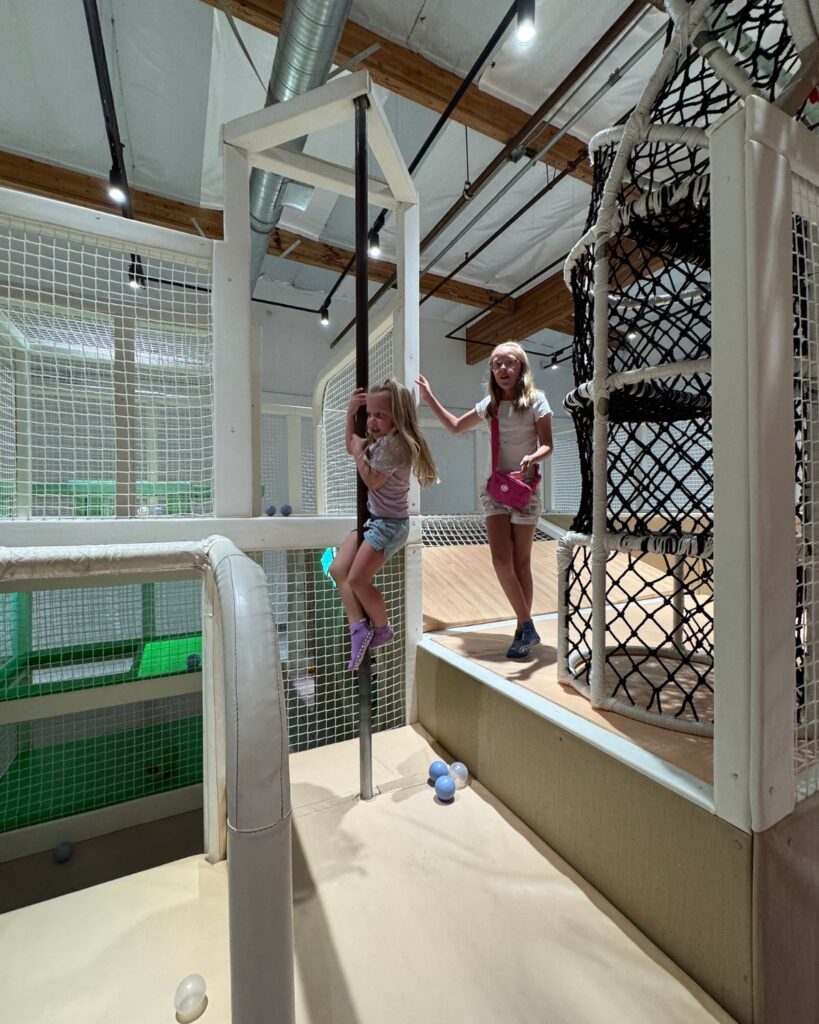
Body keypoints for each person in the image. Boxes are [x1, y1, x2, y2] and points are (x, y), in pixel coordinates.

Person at [417, 340, 553, 658]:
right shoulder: (489, 405)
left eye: (509, 363)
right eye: (496, 364)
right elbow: (454, 427)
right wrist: (429, 397)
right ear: (491, 371)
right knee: (501, 561)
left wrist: (533, 457)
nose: (503, 369)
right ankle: (528, 624)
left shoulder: (537, 401)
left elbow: (548, 444)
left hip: (527, 490)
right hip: (497, 491)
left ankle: (523, 631)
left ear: (521, 368)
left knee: (522, 563)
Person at [330, 378, 438, 670]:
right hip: (373, 520)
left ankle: (381, 627)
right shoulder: (380, 441)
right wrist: (351, 414)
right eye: (369, 414)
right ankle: (358, 627)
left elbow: (373, 479)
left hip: (389, 525)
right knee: (337, 569)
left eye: (380, 415)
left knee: (356, 579)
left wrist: (357, 453)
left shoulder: (396, 445)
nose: (372, 421)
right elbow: (351, 445)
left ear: (397, 417)